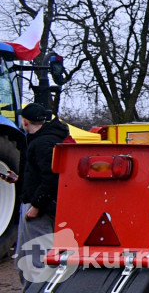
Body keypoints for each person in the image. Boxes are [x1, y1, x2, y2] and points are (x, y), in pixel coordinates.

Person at [15, 102, 69, 289]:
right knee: (27, 258)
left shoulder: (42, 143)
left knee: (35, 260)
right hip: (40, 204)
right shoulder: (50, 138)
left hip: (39, 209)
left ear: (24, 122)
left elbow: (52, 178)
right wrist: (20, 180)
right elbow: (42, 174)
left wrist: (37, 205)